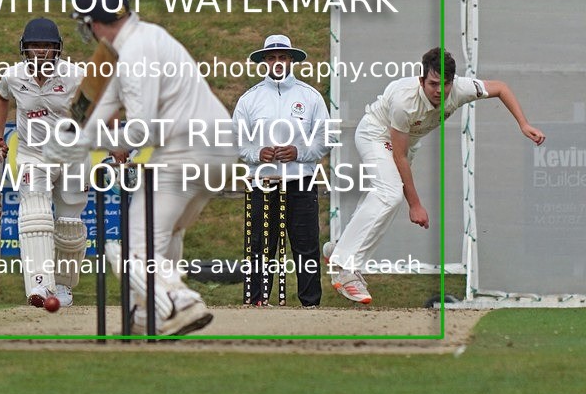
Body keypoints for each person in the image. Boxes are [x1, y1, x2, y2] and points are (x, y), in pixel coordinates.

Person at [43, 0, 238, 336]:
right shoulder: (145, 38)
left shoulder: (133, 54)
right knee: (166, 234)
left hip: (185, 151)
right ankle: (146, 317)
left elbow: (141, 131)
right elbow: (99, 109)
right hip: (220, 150)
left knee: (133, 250)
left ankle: (181, 302)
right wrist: (73, 137)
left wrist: (87, 144)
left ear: (93, 22)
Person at [325, 47, 546, 304]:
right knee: (391, 194)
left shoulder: (461, 89)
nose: (439, 91)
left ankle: (340, 247)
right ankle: (344, 266)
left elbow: (501, 88)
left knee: (383, 197)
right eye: (432, 84)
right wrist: (415, 204)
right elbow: (399, 157)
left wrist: (524, 123)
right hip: (375, 134)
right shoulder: (403, 101)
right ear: (421, 80)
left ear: (453, 81)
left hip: (408, 142)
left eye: (446, 84)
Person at [0, 18, 90, 309]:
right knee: (35, 213)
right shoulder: (13, 76)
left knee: (69, 224)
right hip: (34, 154)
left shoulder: (75, 76)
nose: (41, 52)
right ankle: (39, 285)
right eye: (35, 46)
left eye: (47, 46)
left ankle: (63, 286)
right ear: (25, 48)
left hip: (72, 155)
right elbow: (0, 98)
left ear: (57, 49)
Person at [232, 34, 332, 308]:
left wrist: (299, 152)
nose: (278, 62)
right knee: (261, 244)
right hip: (262, 182)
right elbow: (238, 141)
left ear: (291, 60)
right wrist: (257, 154)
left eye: (283, 57)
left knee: (306, 245)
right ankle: (256, 301)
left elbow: (324, 138)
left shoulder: (309, 96)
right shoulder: (250, 99)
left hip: (300, 180)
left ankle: (310, 304)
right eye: (272, 57)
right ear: (265, 61)